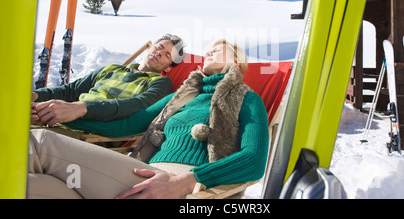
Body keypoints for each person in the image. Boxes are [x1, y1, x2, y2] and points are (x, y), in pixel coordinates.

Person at [27, 39, 269, 199]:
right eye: (208, 49)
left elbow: (254, 160)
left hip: (177, 183)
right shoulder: (181, 96)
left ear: (236, 62)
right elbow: (129, 124)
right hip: (140, 171)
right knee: (32, 185)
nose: (208, 52)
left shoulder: (247, 99)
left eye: (216, 49)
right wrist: (65, 113)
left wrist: (187, 181)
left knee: (38, 144)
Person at [31, 34, 185, 127]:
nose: (159, 53)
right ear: (148, 48)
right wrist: (35, 96)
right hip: (62, 118)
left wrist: (82, 108)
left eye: (167, 55)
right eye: (159, 47)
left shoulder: (160, 84)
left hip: (91, 132)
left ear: (168, 68)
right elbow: (70, 90)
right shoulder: (112, 69)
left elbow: (133, 107)